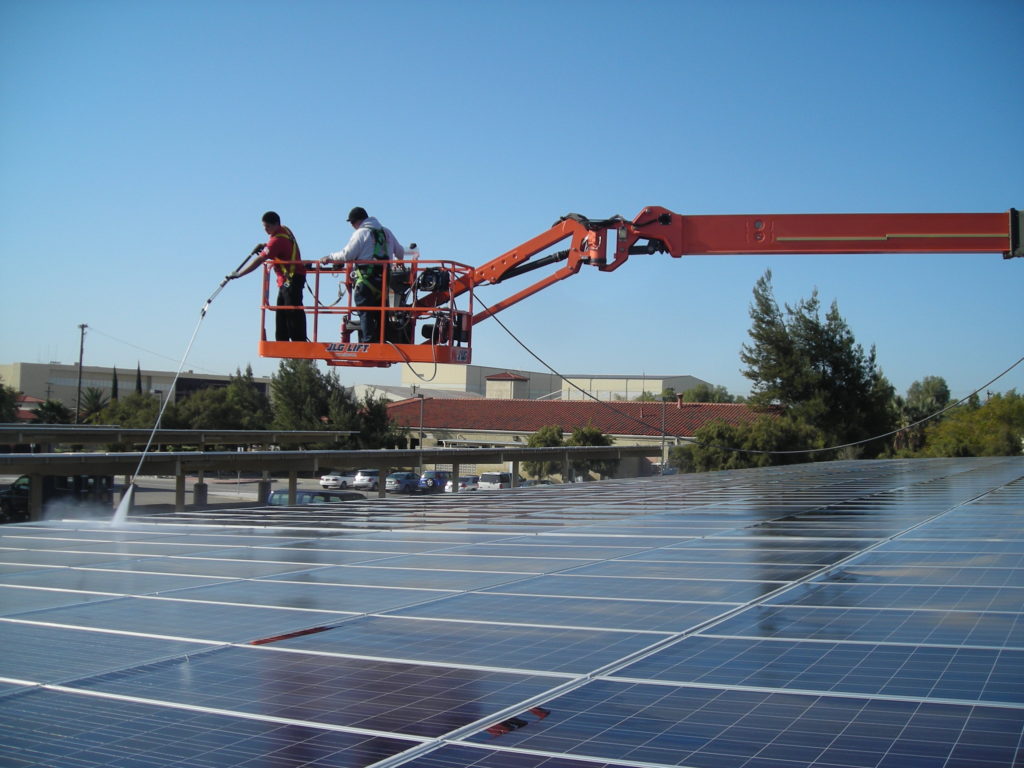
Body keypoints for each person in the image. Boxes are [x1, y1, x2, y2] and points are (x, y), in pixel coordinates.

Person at [320, 206, 404, 343]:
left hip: (366, 280)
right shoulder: (387, 232)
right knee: (380, 312)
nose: (353, 227)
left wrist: (329, 257)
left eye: (352, 224)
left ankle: (368, 342)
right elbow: (400, 252)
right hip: (384, 282)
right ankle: (382, 341)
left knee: (365, 312)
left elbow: (347, 255)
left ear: (356, 221)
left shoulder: (361, 233)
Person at [229, 211, 307, 342]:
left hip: (291, 279)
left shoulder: (277, 240)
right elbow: (279, 247)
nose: (266, 230)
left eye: (268, 227)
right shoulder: (285, 230)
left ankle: (297, 341)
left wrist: (240, 274)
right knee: (282, 312)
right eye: (264, 227)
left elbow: (260, 260)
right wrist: (265, 245)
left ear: (276, 224)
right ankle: (283, 340)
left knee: (292, 311)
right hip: (289, 279)